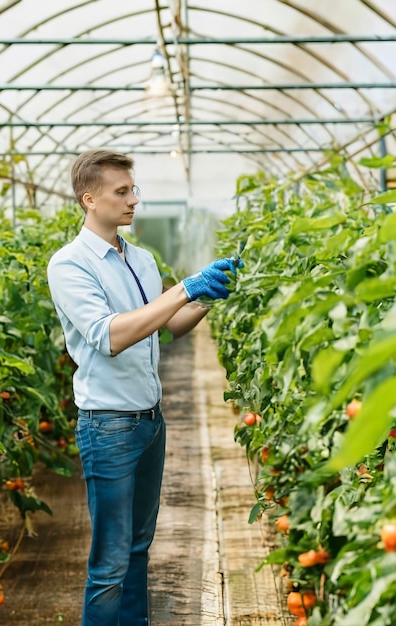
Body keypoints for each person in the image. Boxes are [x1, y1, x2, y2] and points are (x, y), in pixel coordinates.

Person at [46, 149, 242, 626]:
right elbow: (110, 335)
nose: (134, 200)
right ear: (89, 199)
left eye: (134, 189)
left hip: (150, 422)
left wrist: (209, 296)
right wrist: (186, 287)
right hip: (109, 427)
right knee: (110, 563)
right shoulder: (70, 265)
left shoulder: (141, 258)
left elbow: (168, 325)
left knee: (137, 550)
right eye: (122, 191)